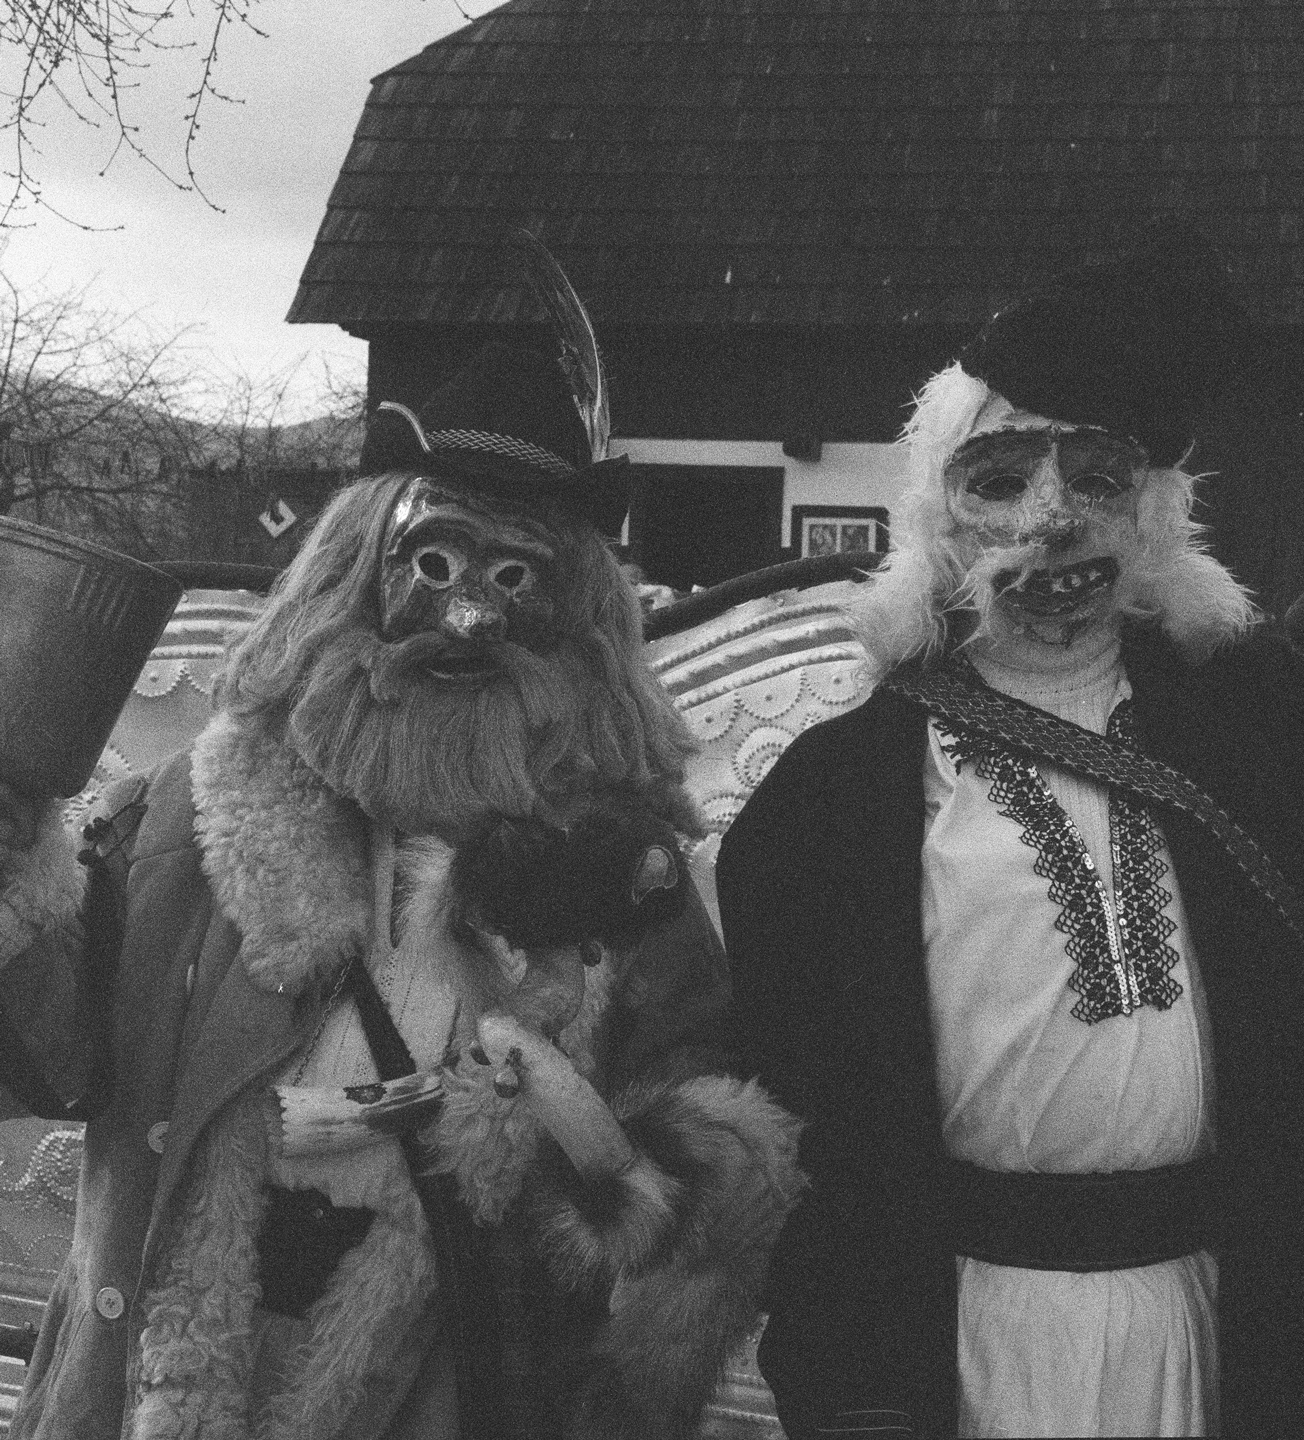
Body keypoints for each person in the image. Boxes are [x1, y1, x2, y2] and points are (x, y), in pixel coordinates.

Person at [0, 338, 802, 1439]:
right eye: (433, 565)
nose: (470, 620)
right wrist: (13, 869)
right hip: (153, 1379)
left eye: (513, 579)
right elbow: (58, 1054)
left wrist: (606, 1172)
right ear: (350, 579)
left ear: (575, 620)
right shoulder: (194, 812)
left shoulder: (619, 880)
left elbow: (696, 1191)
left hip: (445, 1386)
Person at [716, 228, 1304, 1438]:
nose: (1051, 522)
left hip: (1219, 1323)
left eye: (1096, 478)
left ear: (1153, 514)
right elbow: (795, 1111)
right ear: (938, 514)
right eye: (999, 481)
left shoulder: (1268, 746)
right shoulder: (835, 800)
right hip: (959, 1333)